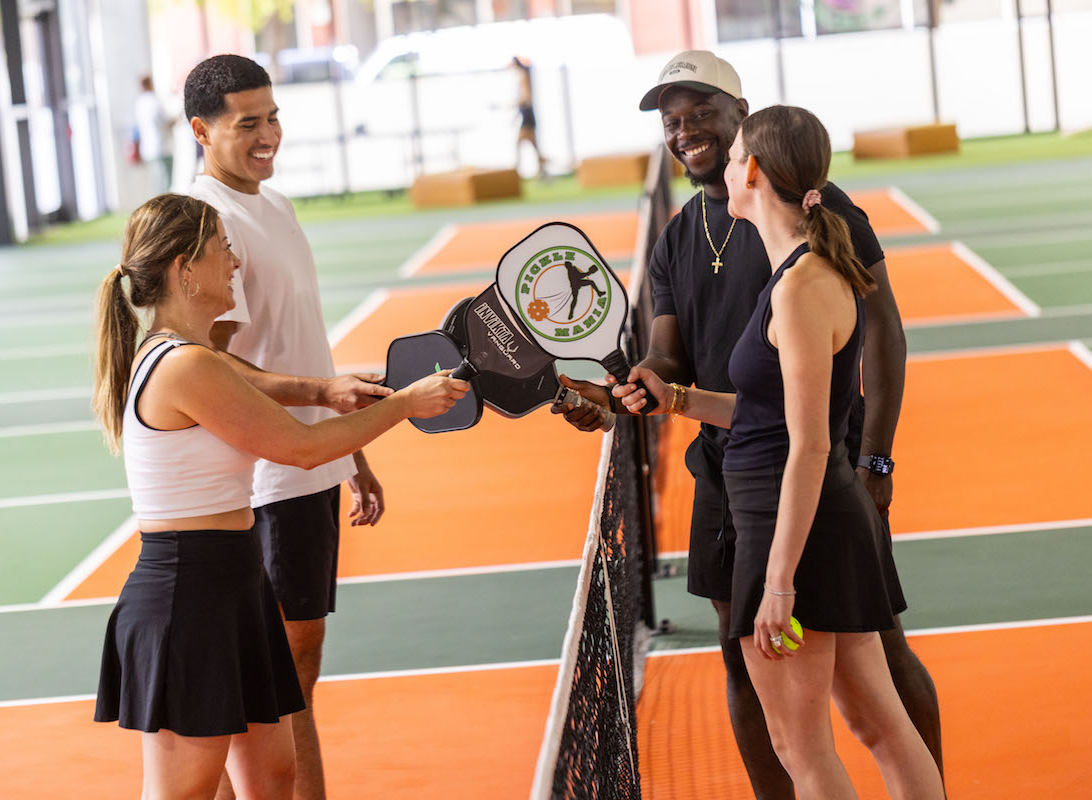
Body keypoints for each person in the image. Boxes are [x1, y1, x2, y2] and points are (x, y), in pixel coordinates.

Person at [556, 51, 943, 798]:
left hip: (807, 477)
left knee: (864, 688)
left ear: (748, 134)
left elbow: (878, 340)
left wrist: (877, 462)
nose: (686, 131)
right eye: (671, 119)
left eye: (703, 114)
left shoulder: (819, 231)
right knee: (779, 683)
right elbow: (670, 362)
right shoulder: (677, 238)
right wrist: (637, 394)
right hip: (731, 476)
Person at [91, 193, 468, 799]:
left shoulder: (198, 357)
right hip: (187, 594)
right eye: (224, 250)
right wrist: (406, 405)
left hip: (236, 583)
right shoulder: (185, 365)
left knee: (272, 777)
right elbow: (299, 449)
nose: (235, 264)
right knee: (182, 792)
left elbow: (280, 399)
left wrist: (332, 391)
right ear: (187, 267)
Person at [181, 54, 387, 800]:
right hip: (267, 473)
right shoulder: (208, 224)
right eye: (248, 123)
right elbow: (211, 367)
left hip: (313, 462)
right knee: (278, 669)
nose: (268, 135)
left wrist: (351, 450)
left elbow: (302, 338)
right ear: (202, 131)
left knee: (296, 663)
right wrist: (323, 397)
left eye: (273, 117)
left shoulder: (275, 205)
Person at [134, 76, 175, 194]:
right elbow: (165, 122)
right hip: (162, 147)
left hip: (148, 149)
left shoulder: (140, 103)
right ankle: (163, 210)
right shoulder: (154, 101)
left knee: (157, 181)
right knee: (165, 183)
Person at [511, 56, 544, 178]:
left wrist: (509, 105)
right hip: (526, 114)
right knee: (533, 146)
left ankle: (517, 171)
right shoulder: (522, 77)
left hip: (527, 115)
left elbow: (526, 99)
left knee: (520, 143)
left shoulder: (524, 77)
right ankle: (543, 171)